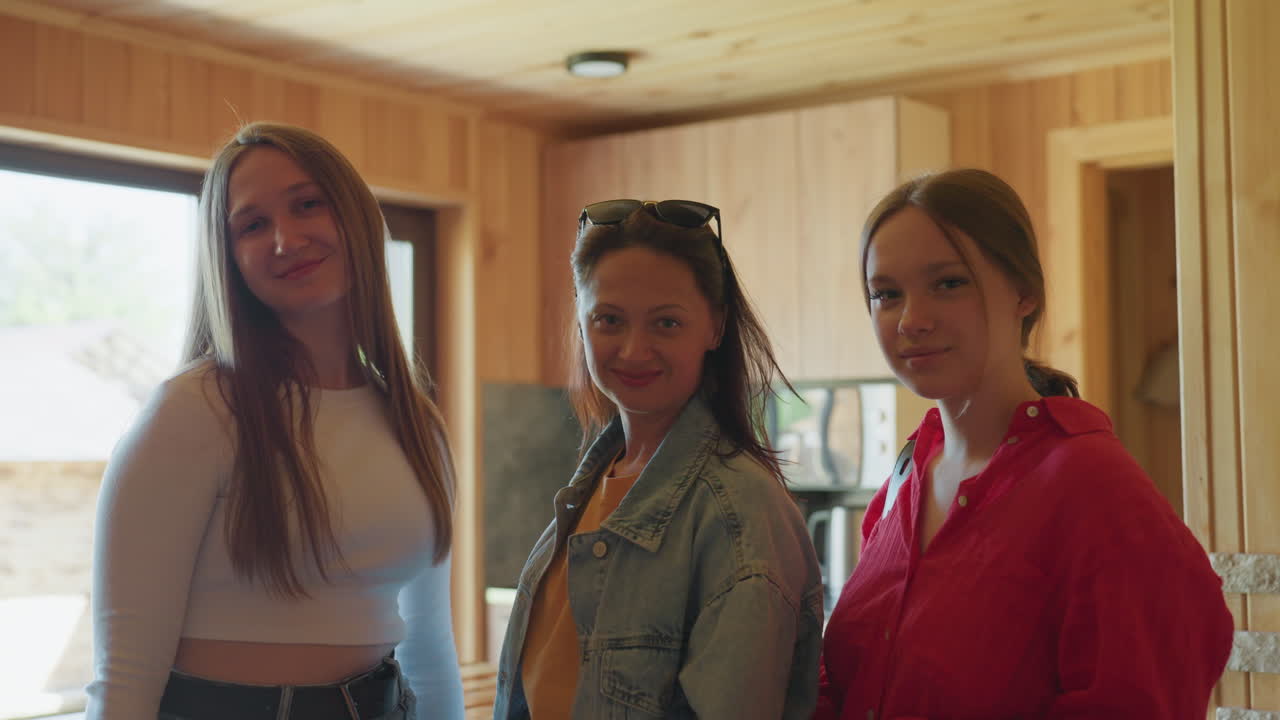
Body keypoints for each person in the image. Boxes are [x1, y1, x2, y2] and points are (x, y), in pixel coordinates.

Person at [816, 169, 1234, 719]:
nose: (911, 319)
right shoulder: (906, 475)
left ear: (1024, 292)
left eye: (948, 282)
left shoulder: (1093, 488)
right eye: (886, 294)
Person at [87, 122, 464, 720]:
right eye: (252, 225)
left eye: (308, 204)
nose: (286, 239)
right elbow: (125, 675)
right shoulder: (195, 411)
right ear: (228, 257)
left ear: (355, 219)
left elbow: (430, 650)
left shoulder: (417, 423)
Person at [493, 199, 824, 719]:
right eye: (609, 319)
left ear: (714, 326)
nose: (633, 350)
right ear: (581, 322)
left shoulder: (739, 511)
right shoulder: (595, 481)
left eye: (666, 323)